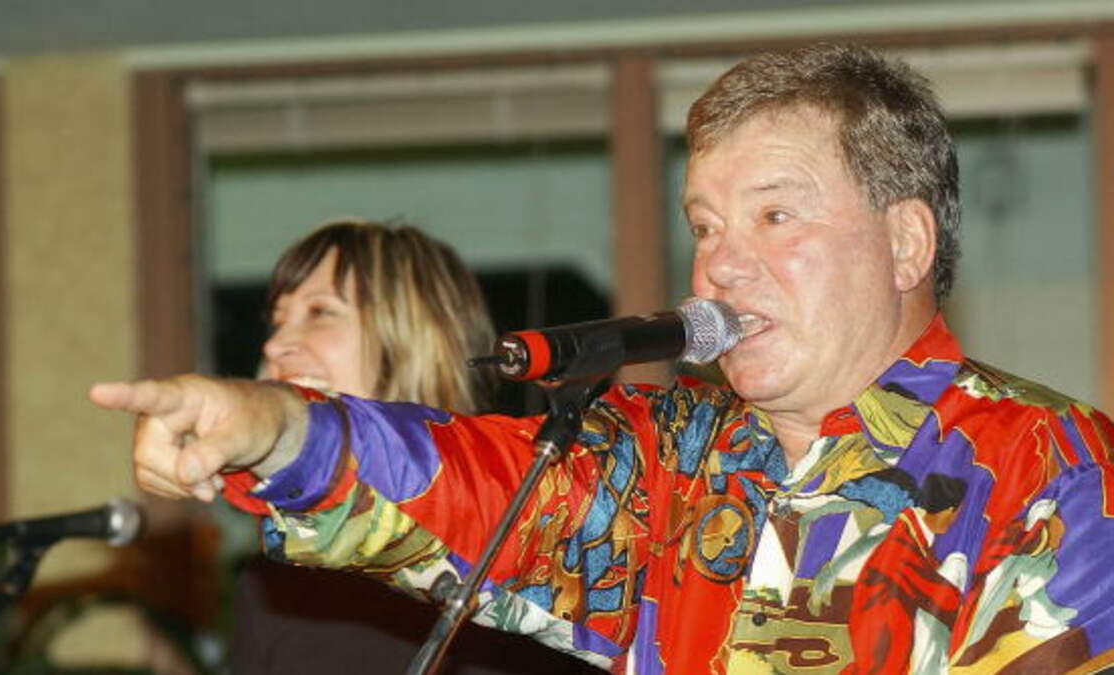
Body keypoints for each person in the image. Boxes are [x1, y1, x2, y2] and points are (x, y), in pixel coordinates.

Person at [93, 44, 1114, 674]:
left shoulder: (1048, 466)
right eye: (704, 226)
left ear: (905, 244)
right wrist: (273, 426)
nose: (720, 265)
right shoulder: (669, 460)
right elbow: (470, 486)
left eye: (774, 216)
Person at [222, 220, 591, 673]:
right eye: (277, 321)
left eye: (320, 312)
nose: (275, 345)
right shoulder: (270, 584)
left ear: (416, 336)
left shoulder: (529, 543)